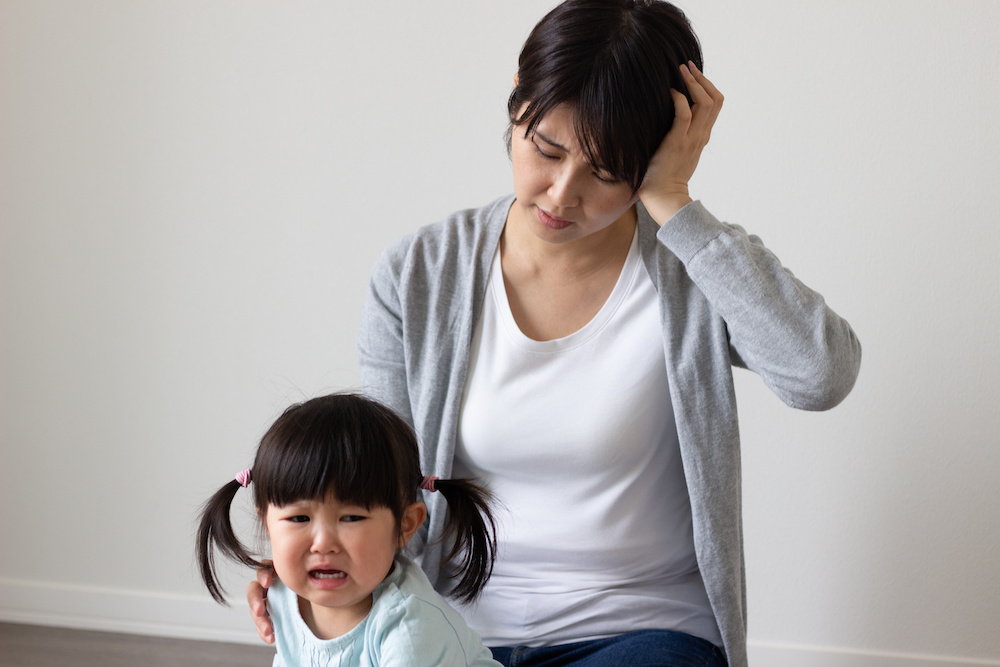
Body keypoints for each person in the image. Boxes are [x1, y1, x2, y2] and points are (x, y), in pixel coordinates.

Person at [248, 1, 862, 665]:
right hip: (447, 630)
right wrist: (318, 563)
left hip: (645, 629)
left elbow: (819, 374)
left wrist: (679, 207)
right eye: (546, 148)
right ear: (517, 98)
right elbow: (382, 483)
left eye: (605, 172)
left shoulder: (690, 271)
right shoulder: (418, 273)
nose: (561, 194)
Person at [197, 392, 503, 666]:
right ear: (267, 524)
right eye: (299, 519)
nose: (323, 544)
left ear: (404, 526)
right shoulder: (281, 595)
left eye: (352, 518)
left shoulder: (410, 629)